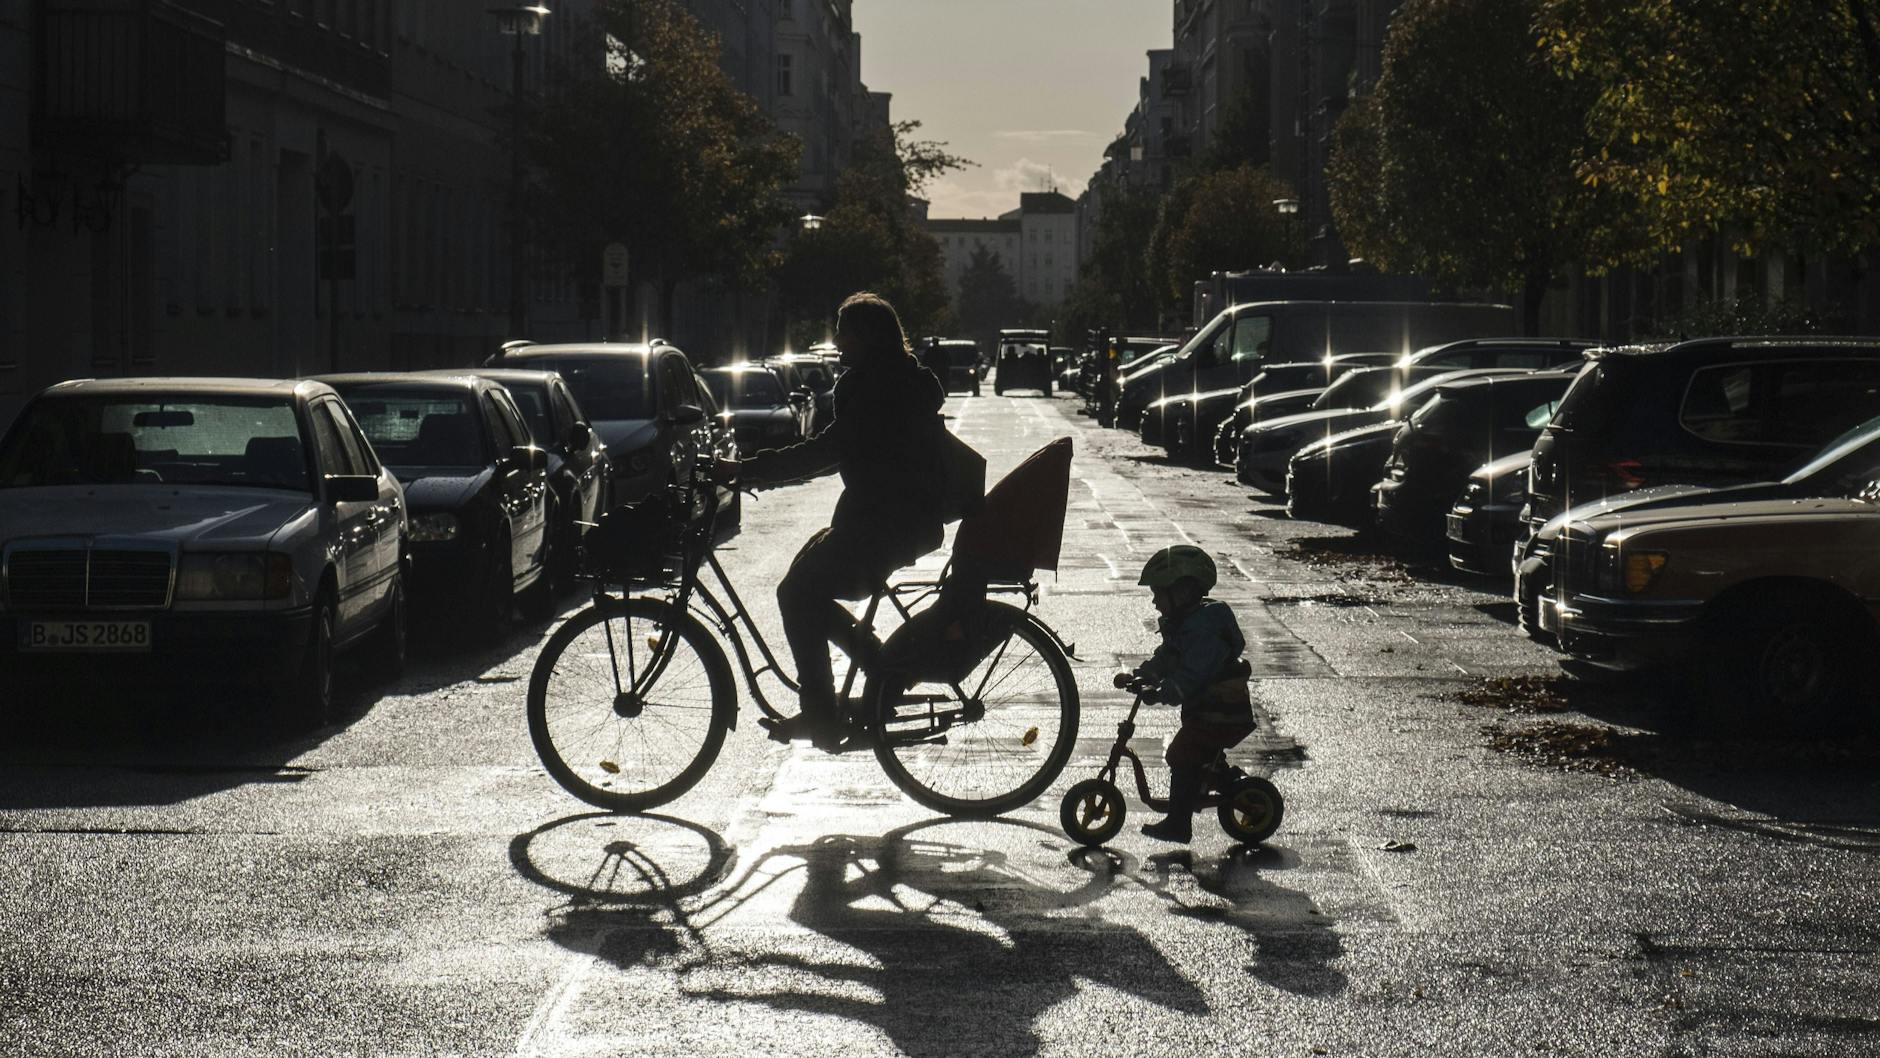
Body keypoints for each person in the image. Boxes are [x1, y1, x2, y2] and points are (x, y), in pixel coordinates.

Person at [728, 293, 949, 749]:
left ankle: (823, 712)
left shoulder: (878, 389)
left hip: (884, 525)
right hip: (888, 521)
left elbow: (828, 450)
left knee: (797, 593)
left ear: (867, 337)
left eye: (844, 331)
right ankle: (881, 670)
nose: (838, 341)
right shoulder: (890, 380)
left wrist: (748, 470)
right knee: (801, 587)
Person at [1117, 545, 1256, 843]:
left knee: (1180, 754)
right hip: (1207, 712)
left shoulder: (1204, 633)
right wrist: (1144, 675)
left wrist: (1163, 692)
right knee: (1199, 759)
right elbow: (1167, 657)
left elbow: (1192, 674)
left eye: (1158, 594)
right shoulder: (1185, 625)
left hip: (1222, 714)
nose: (1154, 601)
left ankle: (1178, 824)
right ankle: (1225, 781)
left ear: (1181, 593)